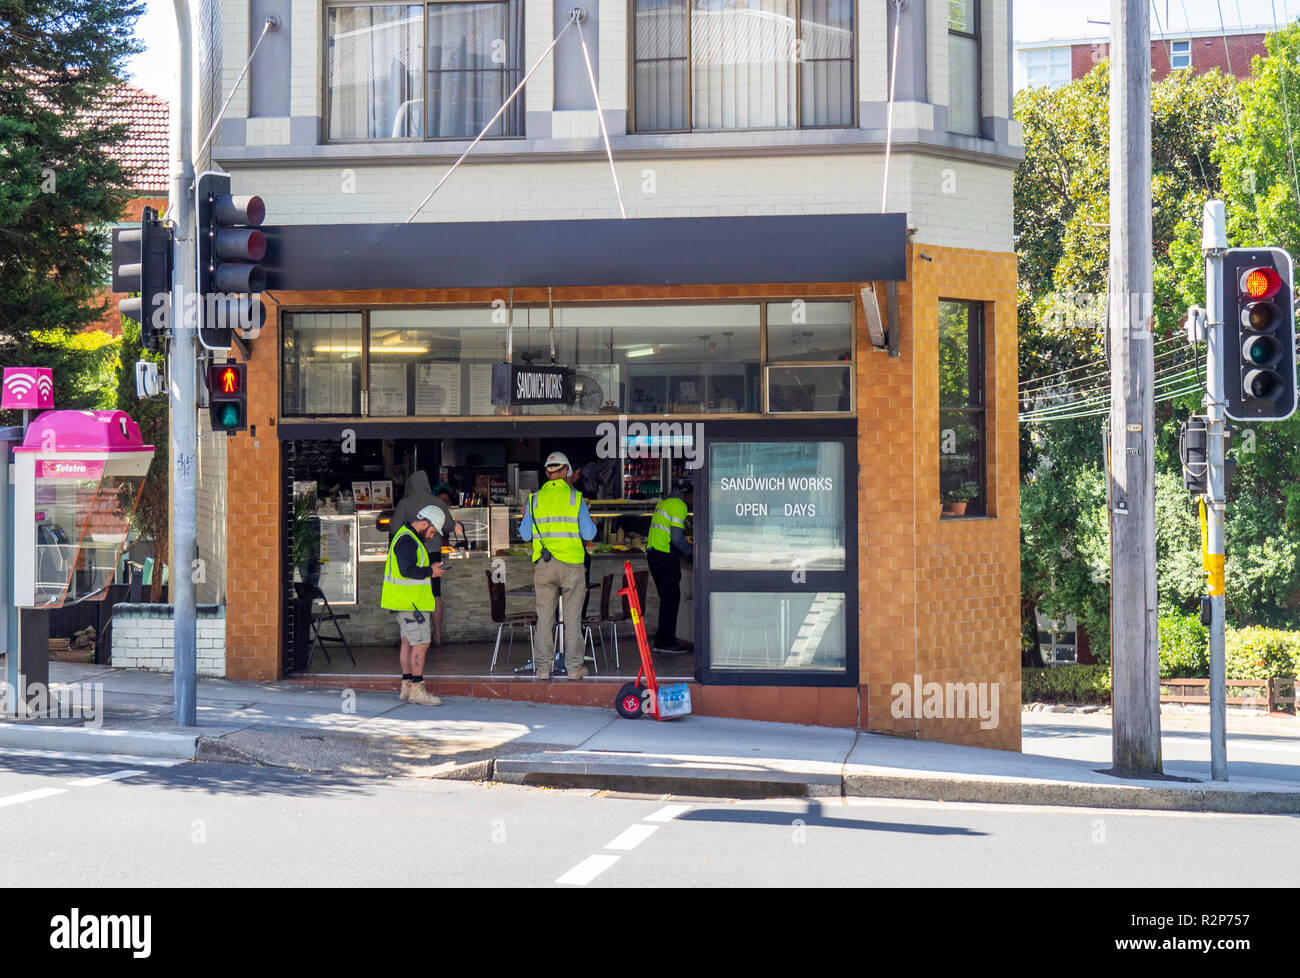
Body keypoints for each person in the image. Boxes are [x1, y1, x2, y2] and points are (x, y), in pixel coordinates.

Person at [519, 452, 597, 679]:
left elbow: (524, 535)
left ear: (547, 472)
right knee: (572, 620)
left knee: (544, 620)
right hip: (572, 565)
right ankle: (574, 669)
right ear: (565, 471)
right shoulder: (576, 498)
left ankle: (543, 669)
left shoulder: (533, 500)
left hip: (544, 566)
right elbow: (589, 533)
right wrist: (592, 521)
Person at [383, 505, 447, 706]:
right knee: (420, 643)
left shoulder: (406, 537)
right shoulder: (407, 540)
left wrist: (430, 569)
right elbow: (407, 570)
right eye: (432, 531)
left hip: (404, 602)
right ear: (425, 523)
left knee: (408, 642)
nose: (431, 536)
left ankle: (407, 687)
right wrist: (431, 572)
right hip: (411, 604)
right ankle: (417, 690)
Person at [390, 471, 454, 645]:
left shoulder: (405, 503)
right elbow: (450, 525)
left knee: (409, 593)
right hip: (433, 551)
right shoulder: (438, 502)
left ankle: (406, 636)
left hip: (409, 552)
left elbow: (394, 529)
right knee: (435, 594)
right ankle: (438, 636)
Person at [647, 478, 693, 654]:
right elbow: (676, 538)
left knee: (666, 599)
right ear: (687, 494)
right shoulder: (679, 506)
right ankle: (666, 642)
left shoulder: (664, 503)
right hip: (664, 556)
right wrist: (689, 552)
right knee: (671, 599)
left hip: (654, 555)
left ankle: (662, 639)